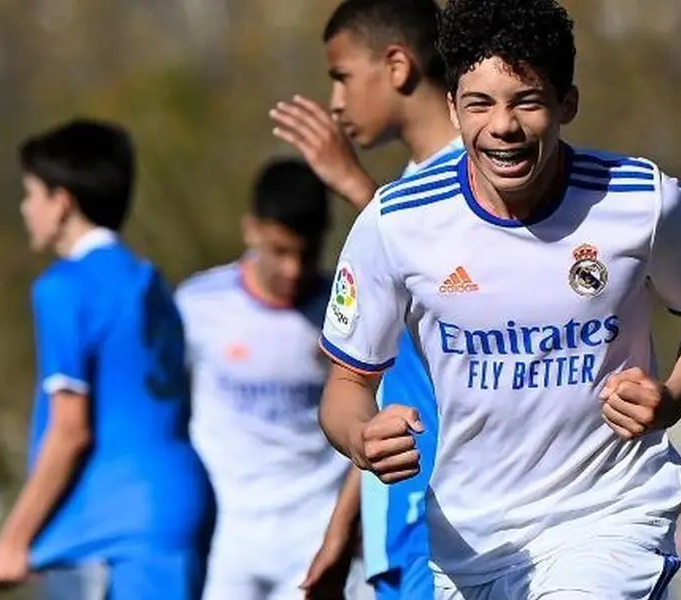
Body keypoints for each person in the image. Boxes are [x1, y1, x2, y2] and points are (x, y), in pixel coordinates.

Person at [316, 0, 681, 598]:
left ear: (566, 103)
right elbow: (345, 385)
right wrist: (362, 437)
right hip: (471, 542)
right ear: (453, 107)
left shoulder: (642, 203)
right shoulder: (396, 222)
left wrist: (670, 397)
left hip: (608, 518)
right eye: (480, 104)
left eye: (527, 100)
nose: (504, 126)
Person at [0, 118, 215, 600]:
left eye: (30, 194)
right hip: (178, 499)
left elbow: (70, 431)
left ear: (61, 202)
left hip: (127, 519)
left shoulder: (65, 287)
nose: (26, 209)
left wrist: (12, 541)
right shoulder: (151, 281)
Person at [269, 1, 458, 599]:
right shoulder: (406, 191)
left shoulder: (484, 184)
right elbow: (387, 387)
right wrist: (346, 521)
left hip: (452, 522)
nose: (335, 102)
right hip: (396, 520)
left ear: (397, 65)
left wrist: (354, 185)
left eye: (342, 76)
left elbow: (445, 269)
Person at [173, 158, 350, 600]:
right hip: (226, 534)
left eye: (305, 254)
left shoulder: (346, 309)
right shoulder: (197, 306)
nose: (293, 269)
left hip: (314, 527)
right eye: (279, 251)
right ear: (251, 230)